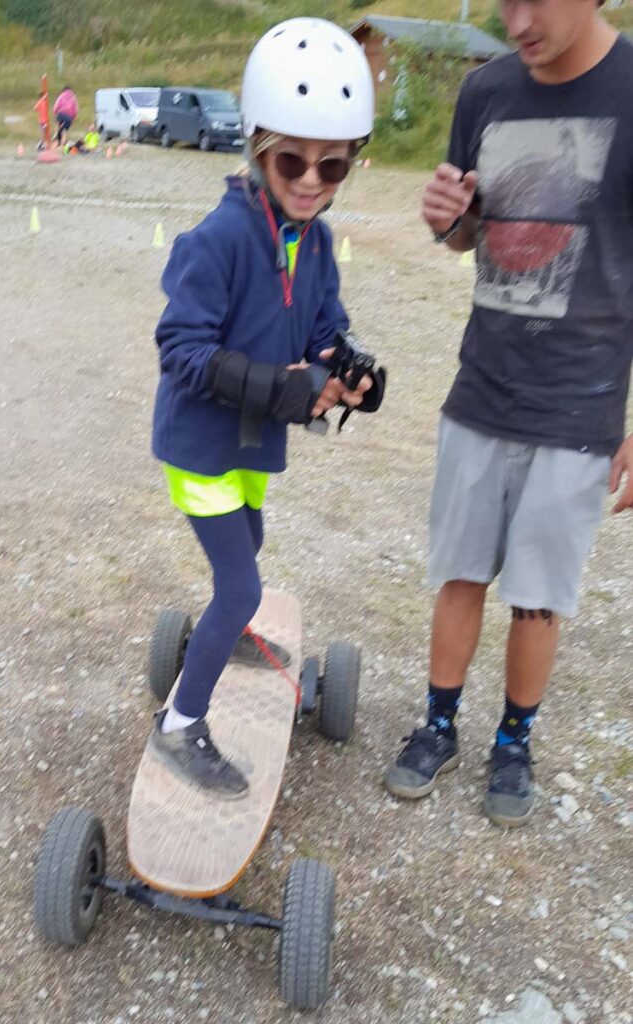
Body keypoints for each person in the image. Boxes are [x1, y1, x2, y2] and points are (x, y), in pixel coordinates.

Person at [384, 0, 633, 827]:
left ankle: (513, 742)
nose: (517, 21)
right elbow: (469, 233)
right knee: (458, 574)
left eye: (537, 0)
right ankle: (438, 725)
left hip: (579, 406)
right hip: (481, 389)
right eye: (504, 0)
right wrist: (448, 222)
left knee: (536, 597)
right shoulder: (484, 91)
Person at [149, 18, 385, 797]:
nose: (311, 180)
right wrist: (284, 388)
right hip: (200, 445)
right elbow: (181, 351)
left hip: (251, 444)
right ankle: (180, 723)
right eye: (291, 160)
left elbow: (323, 326)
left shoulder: (313, 241)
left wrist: (346, 366)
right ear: (256, 146)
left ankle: (230, 633)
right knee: (240, 585)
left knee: (248, 542)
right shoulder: (216, 239)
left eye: (332, 164)